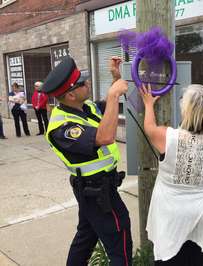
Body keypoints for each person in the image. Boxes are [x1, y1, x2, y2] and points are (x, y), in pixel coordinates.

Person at [41, 56, 132, 266]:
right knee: (120, 240)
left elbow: (105, 113)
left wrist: (115, 79)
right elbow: (104, 137)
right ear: (71, 94)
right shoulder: (61, 128)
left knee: (86, 236)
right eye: (82, 83)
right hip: (97, 191)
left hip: (97, 188)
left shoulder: (85, 107)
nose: (88, 83)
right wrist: (113, 94)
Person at [139, 84, 203, 265]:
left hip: (171, 212)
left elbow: (149, 127)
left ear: (186, 110)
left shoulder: (166, 136)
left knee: (169, 259)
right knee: (196, 260)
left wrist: (148, 104)